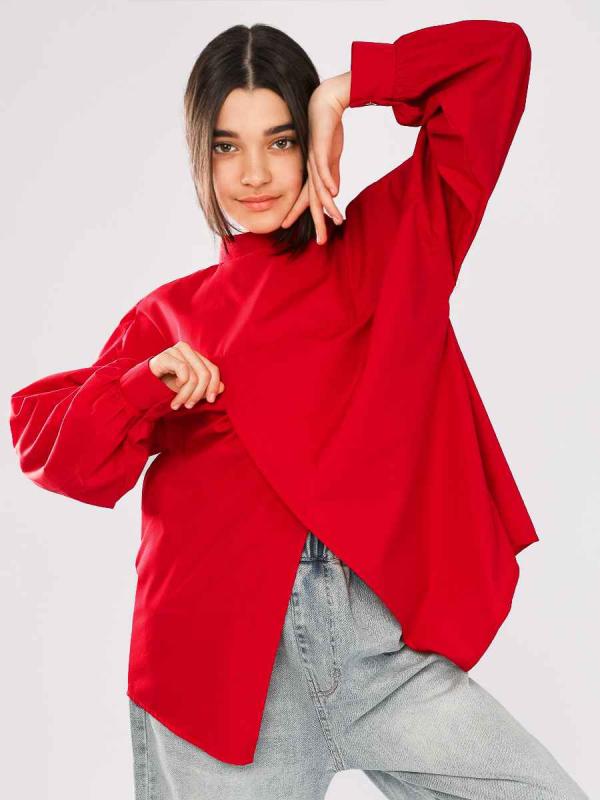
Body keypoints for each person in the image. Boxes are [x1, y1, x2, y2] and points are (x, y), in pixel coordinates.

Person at [10, 19, 589, 800]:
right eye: (227, 146)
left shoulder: (396, 243)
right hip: (213, 672)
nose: (253, 173)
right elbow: (50, 449)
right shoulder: (170, 317)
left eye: (279, 140)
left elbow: (499, 57)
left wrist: (346, 91)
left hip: (385, 658)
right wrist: (142, 382)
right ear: (200, 155)